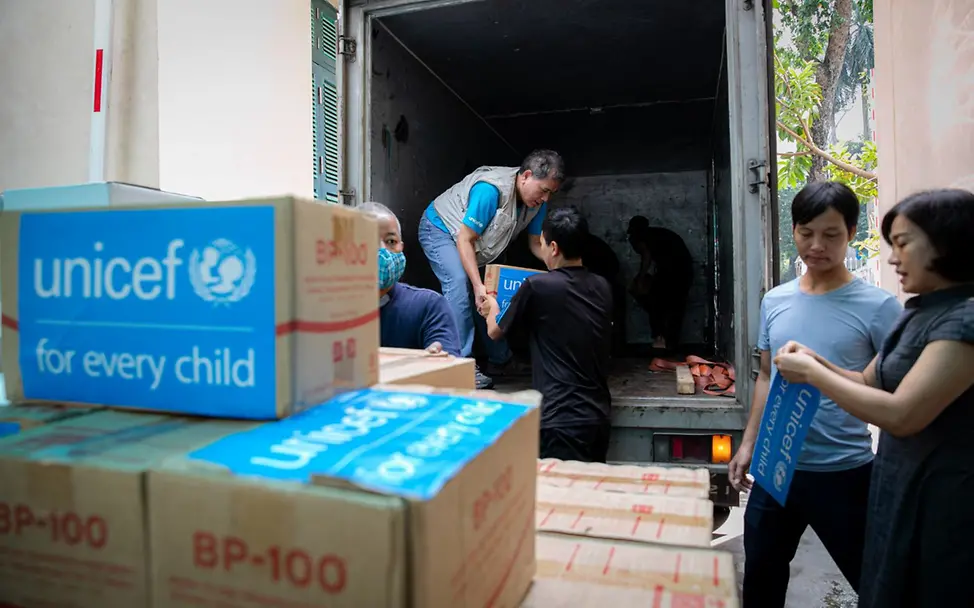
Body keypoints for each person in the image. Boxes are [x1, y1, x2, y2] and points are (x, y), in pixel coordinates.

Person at [773, 188, 974, 608]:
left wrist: (811, 374)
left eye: (902, 244)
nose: (893, 258)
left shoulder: (964, 320)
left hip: (943, 496)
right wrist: (818, 362)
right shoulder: (922, 311)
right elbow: (868, 382)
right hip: (900, 483)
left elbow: (903, 416)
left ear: (948, 242)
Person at [726, 181, 902, 607]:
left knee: (875, 582)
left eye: (831, 234)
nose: (816, 245)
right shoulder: (775, 300)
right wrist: (748, 444)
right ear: (794, 229)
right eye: (806, 233)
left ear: (853, 233)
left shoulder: (879, 308)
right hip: (775, 467)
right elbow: (766, 376)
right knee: (762, 578)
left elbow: (888, 387)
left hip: (845, 470)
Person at [419, 149, 566, 389]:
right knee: (459, 285)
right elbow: (464, 238)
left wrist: (560, 269)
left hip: (473, 243)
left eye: (551, 193)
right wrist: (477, 286)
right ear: (526, 176)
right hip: (442, 230)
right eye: (544, 190)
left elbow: (535, 244)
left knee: (490, 294)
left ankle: (501, 360)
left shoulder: (535, 204)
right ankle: (460, 365)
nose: (546, 199)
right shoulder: (491, 191)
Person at [478, 206, 613, 462]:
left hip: (559, 418)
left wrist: (492, 307)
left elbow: (496, 331)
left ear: (553, 248)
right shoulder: (602, 286)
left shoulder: (539, 287)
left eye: (541, 243)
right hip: (598, 416)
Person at [360, 202, 461, 357]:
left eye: (391, 242)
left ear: (401, 247)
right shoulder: (324, 309)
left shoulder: (428, 306)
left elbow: (451, 369)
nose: (382, 251)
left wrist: (436, 359)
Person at [625, 216, 693, 350]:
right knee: (674, 308)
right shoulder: (659, 235)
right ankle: (670, 343)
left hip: (675, 273)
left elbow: (646, 257)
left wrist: (640, 278)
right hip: (683, 272)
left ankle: (661, 340)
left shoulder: (646, 238)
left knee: (657, 305)